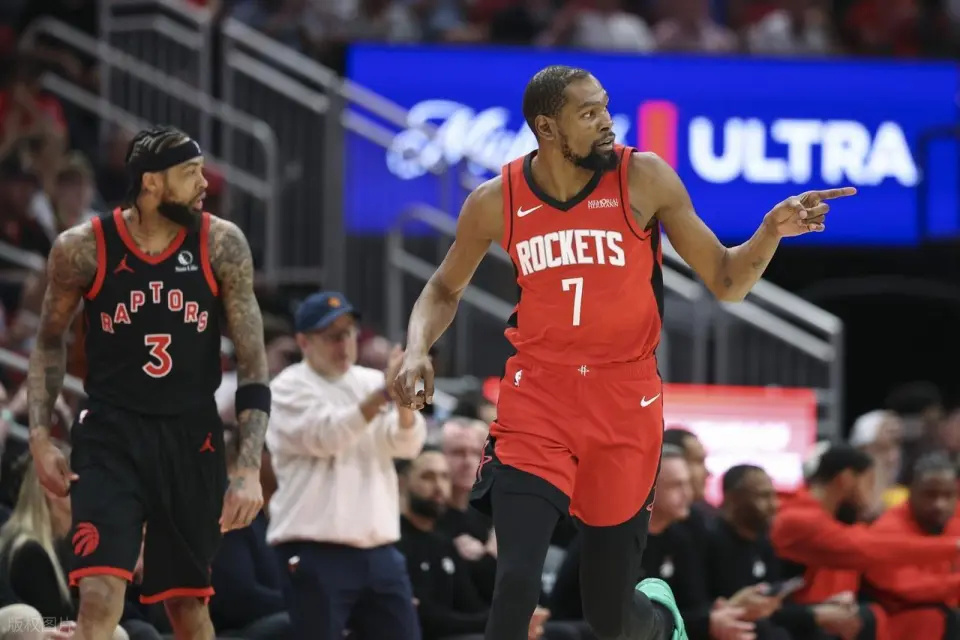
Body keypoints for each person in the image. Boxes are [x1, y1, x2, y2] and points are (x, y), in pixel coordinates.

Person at [392, 64, 856, 640]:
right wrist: (417, 348)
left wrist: (769, 232)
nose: (607, 122)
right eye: (588, 113)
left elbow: (727, 280)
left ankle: (661, 620)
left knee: (609, 616)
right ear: (547, 127)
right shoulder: (496, 200)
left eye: (606, 107)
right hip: (537, 399)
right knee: (515, 586)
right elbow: (443, 287)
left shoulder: (644, 177)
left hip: (624, 403)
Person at [26, 126, 271, 640]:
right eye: (191, 173)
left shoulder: (222, 242)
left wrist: (248, 467)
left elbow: (252, 361)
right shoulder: (83, 247)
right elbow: (48, 341)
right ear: (152, 182)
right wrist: (40, 437)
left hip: (191, 438)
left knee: (188, 607)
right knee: (99, 597)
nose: (204, 184)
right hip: (111, 435)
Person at [266, 291, 426, 640]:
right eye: (332, 336)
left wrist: (402, 401)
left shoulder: (370, 381)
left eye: (349, 333)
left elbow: (408, 445)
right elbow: (328, 435)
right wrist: (384, 395)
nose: (344, 344)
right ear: (304, 342)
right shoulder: (285, 388)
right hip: (314, 550)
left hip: (380, 550)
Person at [865, 453, 960, 640]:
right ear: (911, 491)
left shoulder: (955, 519)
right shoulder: (886, 529)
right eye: (930, 495)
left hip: (949, 617)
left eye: (948, 495)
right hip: (902, 621)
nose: (939, 504)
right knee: (929, 617)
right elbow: (911, 589)